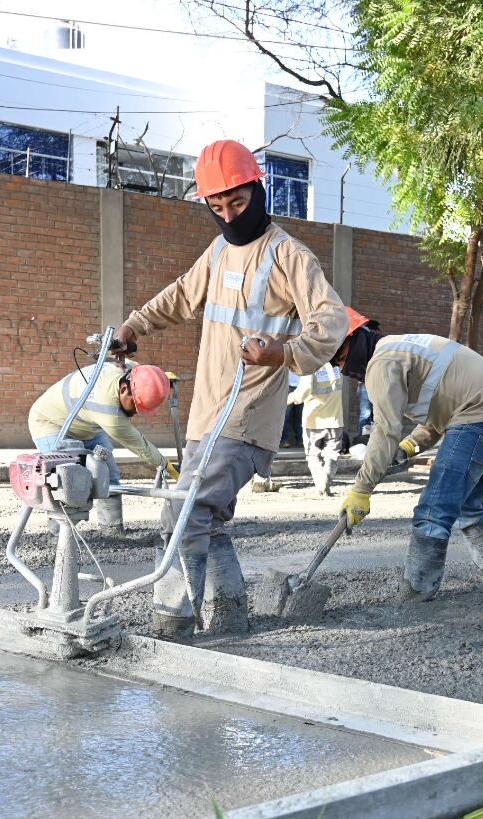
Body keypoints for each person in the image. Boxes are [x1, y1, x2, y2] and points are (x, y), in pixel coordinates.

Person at [109, 140, 348, 639]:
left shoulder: (289, 256)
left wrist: (282, 353)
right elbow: (181, 295)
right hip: (208, 416)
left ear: (258, 189)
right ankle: (231, 617)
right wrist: (135, 324)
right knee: (207, 518)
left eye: (237, 203)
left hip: (247, 415)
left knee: (184, 513)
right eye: (216, 207)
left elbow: (331, 322)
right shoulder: (219, 251)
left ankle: (172, 627)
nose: (228, 216)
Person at [333, 308, 483, 599]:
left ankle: (417, 592)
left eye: (341, 356)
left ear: (357, 338)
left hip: (479, 416)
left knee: (434, 509)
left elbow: (385, 429)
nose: (342, 366)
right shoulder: (400, 348)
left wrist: (362, 489)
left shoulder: (381, 362)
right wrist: (409, 447)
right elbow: (441, 410)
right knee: (469, 505)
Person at [25, 360, 176, 532]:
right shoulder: (110, 413)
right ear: (124, 389)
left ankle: (112, 531)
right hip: (51, 423)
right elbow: (142, 447)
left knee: (107, 475)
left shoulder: (125, 370)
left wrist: (160, 380)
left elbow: (140, 370)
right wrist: (167, 465)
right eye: (135, 405)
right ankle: (59, 535)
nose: (136, 412)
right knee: (65, 481)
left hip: (85, 424)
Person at [288, 362, 348, 495]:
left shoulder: (310, 368)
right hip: (335, 420)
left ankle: (321, 484)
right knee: (332, 454)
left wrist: (286, 400)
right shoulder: (337, 367)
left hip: (313, 421)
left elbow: (302, 393)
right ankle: (326, 480)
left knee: (313, 455)